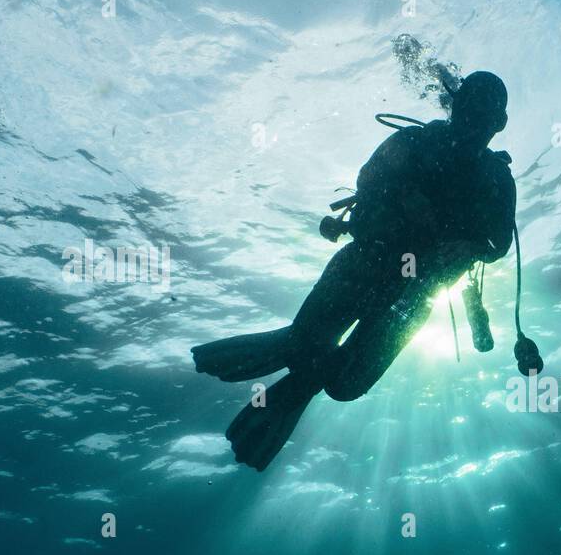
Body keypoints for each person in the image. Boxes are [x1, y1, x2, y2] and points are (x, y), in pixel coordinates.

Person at [191, 72, 518, 471]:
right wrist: (404, 197)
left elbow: (499, 245)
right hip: (365, 261)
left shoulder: (498, 178)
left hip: (417, 295)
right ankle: (297, 351)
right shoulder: (414, 141)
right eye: (469, 110)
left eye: (484, 116)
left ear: (498, 124)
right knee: (309, 346)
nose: (474, 123)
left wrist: (468, 246)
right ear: (455, 106)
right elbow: (368, 178)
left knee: (346, 387)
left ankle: (299, 366)